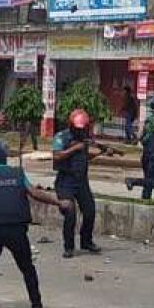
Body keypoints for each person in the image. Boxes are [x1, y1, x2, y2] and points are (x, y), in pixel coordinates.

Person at [0, 138, 70, 308]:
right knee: (27, 268)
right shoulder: (17, 173)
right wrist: (58, 202)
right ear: (3, 156)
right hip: (16, 228)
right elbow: (35, 193)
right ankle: (37, 307)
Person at [53, 109, 111, 258]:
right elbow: (57, 156)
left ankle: (86, 241)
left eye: (83, 128)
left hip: (81, 181)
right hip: (65, 181)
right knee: (70, 213)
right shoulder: (61, 137)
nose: (80, 131)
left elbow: (84, 157)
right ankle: (69, 247)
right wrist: (74, 148)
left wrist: (101, 152)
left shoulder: (85, 138)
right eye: (78, 128)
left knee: (90, 210)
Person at [127, 96, 154, 200]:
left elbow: (139, 138)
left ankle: (145, 198)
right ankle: (134, 182)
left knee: (149, 180)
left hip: (147, 156)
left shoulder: (146, 122)